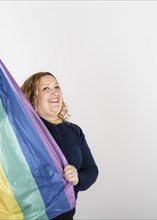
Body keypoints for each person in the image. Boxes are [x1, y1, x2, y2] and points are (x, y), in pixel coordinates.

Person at [21, 72, 99, 220]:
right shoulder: (26, 131)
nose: (55, 91)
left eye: (56, 86)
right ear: (33, 98)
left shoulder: (74, 131)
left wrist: (78, 178)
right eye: (46, 88)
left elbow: (92, 169)